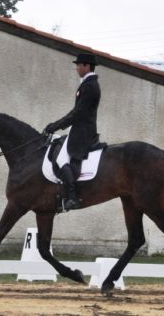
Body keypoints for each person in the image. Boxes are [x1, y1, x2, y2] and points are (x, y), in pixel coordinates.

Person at [44, 53, 101, 212]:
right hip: (79, 130)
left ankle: (73, 197)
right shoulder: (87, 84)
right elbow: (76, 111)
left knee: (62, 159)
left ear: (87, 66)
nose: (76, 68)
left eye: (79, 65)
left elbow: (77, 114)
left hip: (83, 132)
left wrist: (56, 125)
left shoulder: (90, 86)